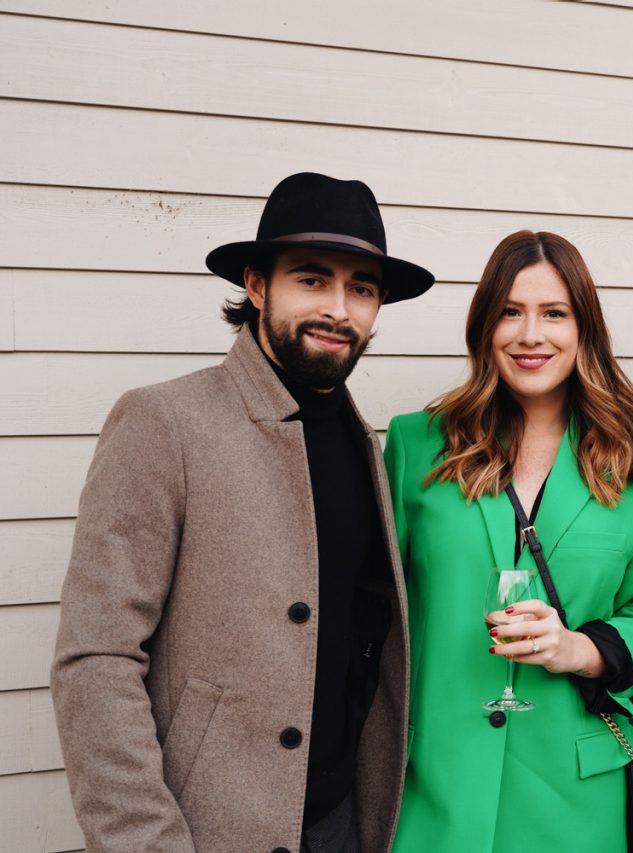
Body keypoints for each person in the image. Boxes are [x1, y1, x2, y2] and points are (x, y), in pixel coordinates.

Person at [50, 172, 435, 853]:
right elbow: (96, 658)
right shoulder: (163, 422)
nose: (339, 309)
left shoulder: (362, 441)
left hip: (340, 825)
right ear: (257, 286)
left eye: (362, 289)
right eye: (312, 280)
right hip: (203, 831)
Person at [384, 230, 633, 852]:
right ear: (484, 325)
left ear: (584, 330)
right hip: (433, 789)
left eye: (554, 313)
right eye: (510, 313)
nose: (530, 335)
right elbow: (380, 611)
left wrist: (578, 648)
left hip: (574, 801)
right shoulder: (415, 446)